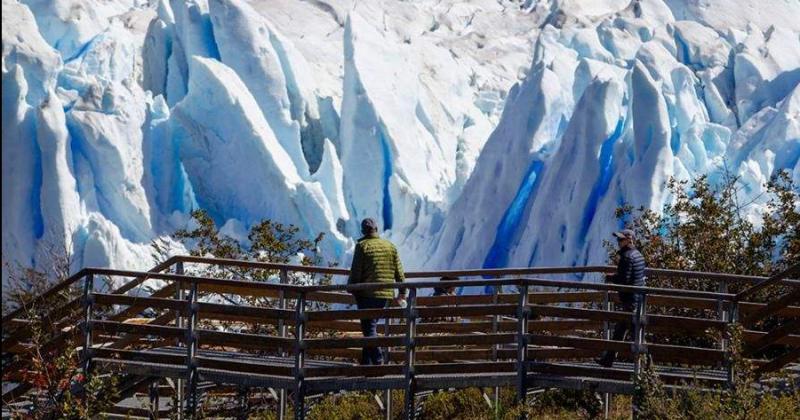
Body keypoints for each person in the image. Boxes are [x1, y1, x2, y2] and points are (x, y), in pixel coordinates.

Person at [348, 218, 406, 365]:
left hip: (366, 295)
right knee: (369, 328)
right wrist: (402, 293)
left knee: (369, 329)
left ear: (362, 231)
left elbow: (356, 272)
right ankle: (367, 367)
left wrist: (351, 288)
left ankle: (379, 359)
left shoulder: (362, 246)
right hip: (385, 296)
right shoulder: (390, 246)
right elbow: (399, 273)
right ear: (377, 229)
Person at [597, 229, 646, 367]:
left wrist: (610, 277)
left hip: (630, 301)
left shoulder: (626, 257)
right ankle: (608, 360)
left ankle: (648, 367)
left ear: (629, 240)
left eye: (621, 239)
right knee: (622, 331)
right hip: (638, 300)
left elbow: (624, 279)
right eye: (618, 239)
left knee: (636, 335)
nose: (618, 242)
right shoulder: (639, 255)